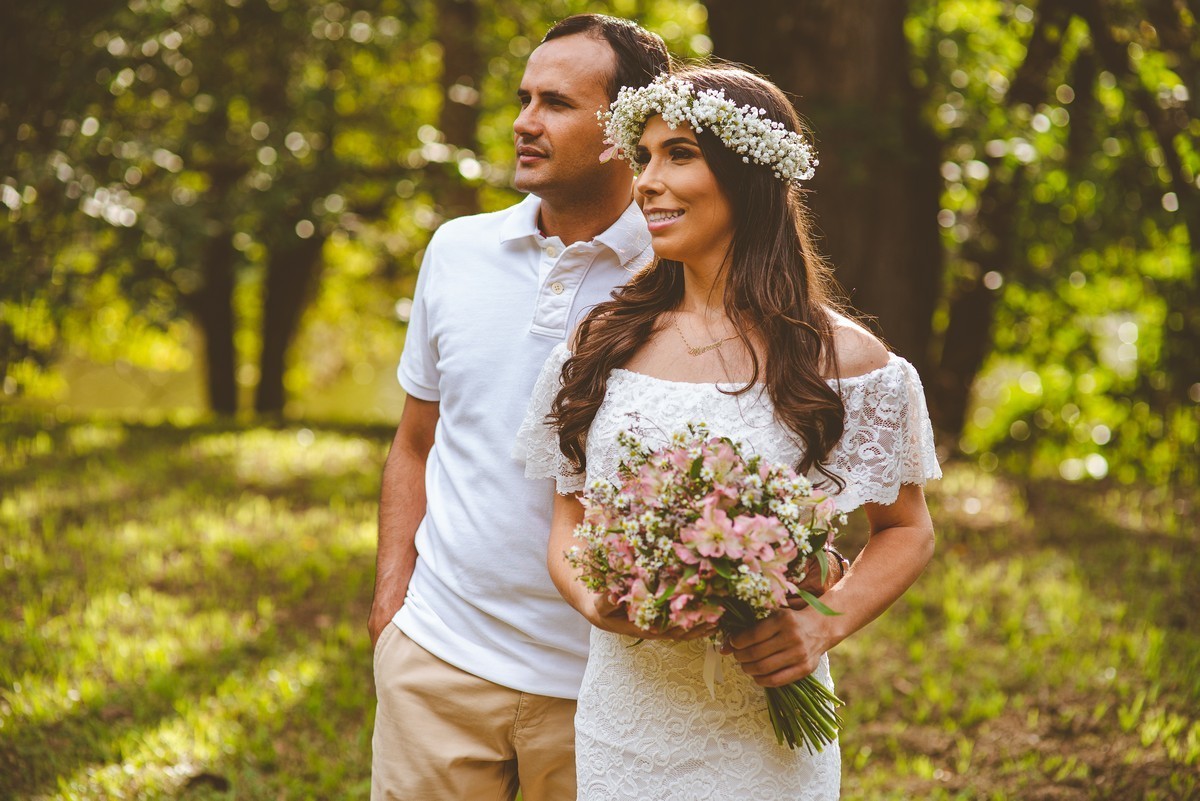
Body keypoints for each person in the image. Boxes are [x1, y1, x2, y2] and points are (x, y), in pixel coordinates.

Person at [513, 64, 942, 799]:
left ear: (749, 174)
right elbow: (569, 518)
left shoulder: (844, 360)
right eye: (643, 155)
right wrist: (597, 599)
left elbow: (906, 528)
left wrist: (819, 627)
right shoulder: (601, 344)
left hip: (762, 742)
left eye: (678, 153)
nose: (646, 179)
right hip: (625, 719)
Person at [366, 14, 673, 801]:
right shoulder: (456, 250)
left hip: (604, 685)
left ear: (624, 130)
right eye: (523, 97)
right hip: (437, 661)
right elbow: (416, 439)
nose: (523, 122)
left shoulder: (678, 273)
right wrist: (391, 607)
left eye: (556, 104)